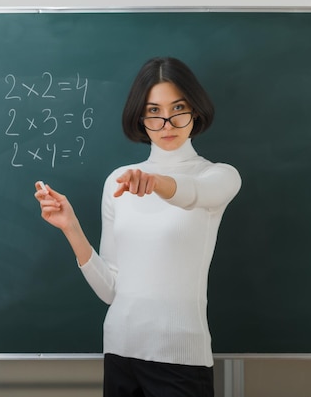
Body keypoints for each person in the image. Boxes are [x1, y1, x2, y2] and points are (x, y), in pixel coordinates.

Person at [34, 56, 241, 397]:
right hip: (120, 352)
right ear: (140, 118)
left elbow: (193, 194)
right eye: (154, 111)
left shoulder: (217, 176)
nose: (167, 122)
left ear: (196, 110)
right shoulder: (119, 181)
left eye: (178, 108)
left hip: (180, 360)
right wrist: (71, 227)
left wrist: (155, 182)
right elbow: (111, 291)